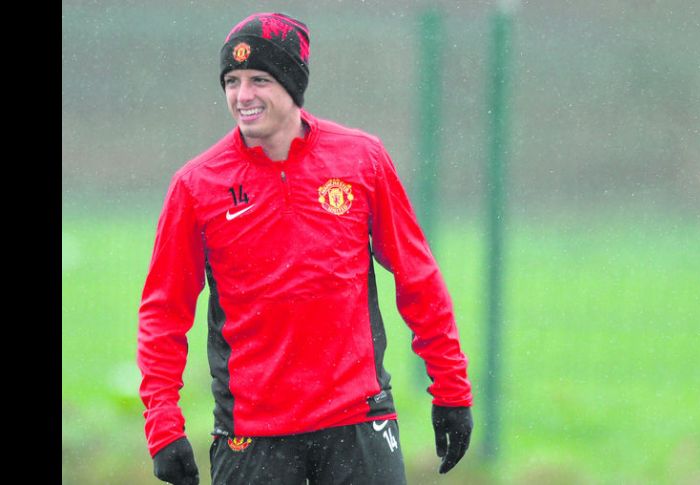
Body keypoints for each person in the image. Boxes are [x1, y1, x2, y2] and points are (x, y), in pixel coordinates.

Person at [137, 12, 473, 485]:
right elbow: (164, 312)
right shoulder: (196, 186)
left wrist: (451, 390)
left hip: (358, 422)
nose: (242, 95)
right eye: (231, 81)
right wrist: (163, 425)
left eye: (259, 79)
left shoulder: (362, 160)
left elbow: (418, 278)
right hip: (252, 434)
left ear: (293, 84)